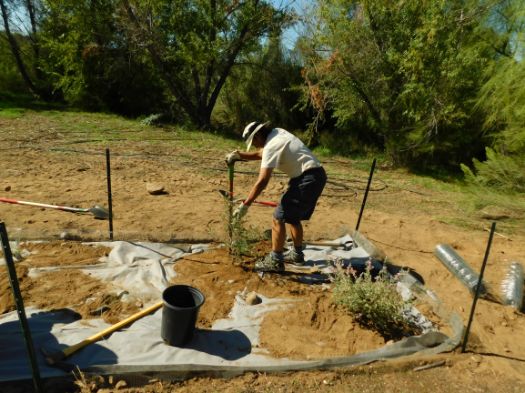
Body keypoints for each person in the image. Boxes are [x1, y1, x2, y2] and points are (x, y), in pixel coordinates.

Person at [225, 121, 327, 272]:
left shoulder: (272, 145)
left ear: (258, 136)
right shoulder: (277, 133)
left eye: (253, 142)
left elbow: (262, 181)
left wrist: (246, 205)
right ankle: (297, 255)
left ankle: (275, 261)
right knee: (292, 217)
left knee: (278, 217)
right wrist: (239, 155)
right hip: (315, 176)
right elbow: (262, 153)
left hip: (307, 179)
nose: (254, 146)